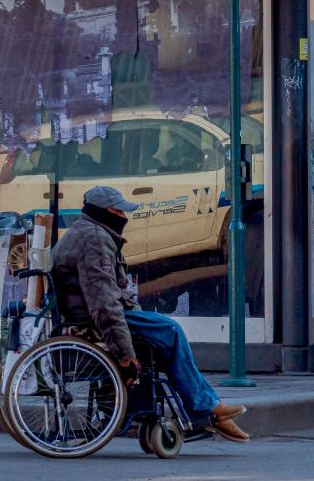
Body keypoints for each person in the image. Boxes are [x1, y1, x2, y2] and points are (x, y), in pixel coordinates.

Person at [51, 185, 250, 442]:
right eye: (120, 211)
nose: (125, 217)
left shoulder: (84, 233)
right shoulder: (95, 239)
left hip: (91, 314)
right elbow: (104, 301)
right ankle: (206, 408)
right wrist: (125, 351)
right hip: (92, 320)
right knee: (170, 330)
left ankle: (208, 409)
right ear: (107, 211)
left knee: (164, 335)